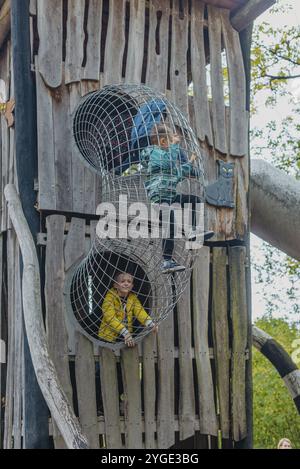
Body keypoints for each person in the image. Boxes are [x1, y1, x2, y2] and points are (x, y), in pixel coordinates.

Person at [141, 124, 213, 274]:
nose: (173, 146)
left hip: (170, 195)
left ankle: (193, 231)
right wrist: (174, 146)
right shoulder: (153, 153)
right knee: (170, 226)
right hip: (160, 197)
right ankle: (167, 261)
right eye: (170, 141)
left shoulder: (165, 160)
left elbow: (177, 173)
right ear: (162, 142)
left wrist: (190, 163)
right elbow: (167, 162)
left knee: (195, 201)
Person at [98, 272, 158, 347]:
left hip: (125, 334)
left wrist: (150, 324)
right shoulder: (110, 297)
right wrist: (125, 333)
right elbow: (110, 318)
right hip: (108, 337)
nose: (126, 284)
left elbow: (140, 312)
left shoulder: (132, 298)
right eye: (122, 281)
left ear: (132, 286)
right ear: (115, 285)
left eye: (129, 282)